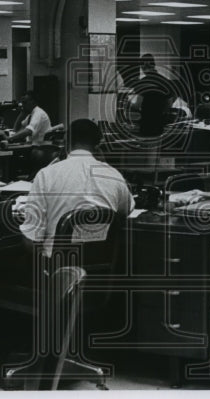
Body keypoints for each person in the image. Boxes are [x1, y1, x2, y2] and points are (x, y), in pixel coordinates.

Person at [20, 118, 134, 258]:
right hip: (102, 266)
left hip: (58, 267)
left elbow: (30, 240)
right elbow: (125, 211)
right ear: (99, 146)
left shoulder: (46, 175)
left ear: (66, 142)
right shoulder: (114, 175)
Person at [131, 54, 179, 137]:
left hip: (146, 125)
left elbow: (137, 104)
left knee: (146, 147)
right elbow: (172, 99)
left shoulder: (143, 82)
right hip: (160, 125)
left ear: (142, 66)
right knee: (156, 147)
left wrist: (129, 103)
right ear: (154, 64)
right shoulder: (165, 81)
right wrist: (162, 110)